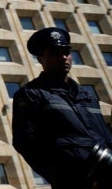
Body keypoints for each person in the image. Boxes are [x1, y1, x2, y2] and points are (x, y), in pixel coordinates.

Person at [12, 27, 112, 189]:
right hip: (73, 182)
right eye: (55, 53)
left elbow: (105, 136)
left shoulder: (88, 95)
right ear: (41, 59)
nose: (63, 57)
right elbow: (24, 142)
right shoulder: (30, 94)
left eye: (66, 52)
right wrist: (60, 176)